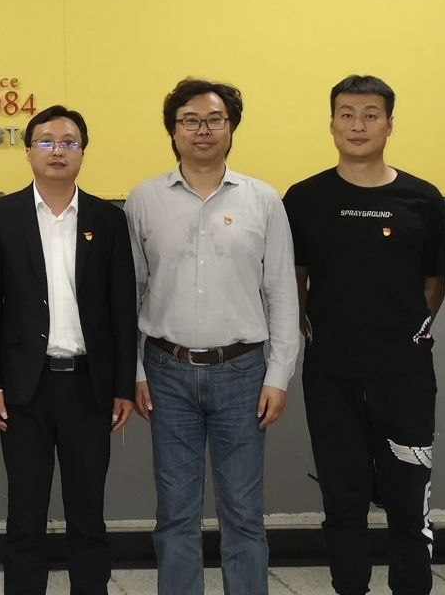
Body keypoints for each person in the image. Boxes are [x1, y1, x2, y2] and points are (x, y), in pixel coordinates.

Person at [127, 78, 300, 595]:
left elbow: (282, 294)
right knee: (175, 512)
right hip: (166, 371)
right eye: (190, 121)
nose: (202, 130)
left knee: (243, 512)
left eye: (214, 120)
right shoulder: (144, 200)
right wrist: (134, 371)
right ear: (173, 131)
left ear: (231, 128)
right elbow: (129, 295)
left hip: (243, 373)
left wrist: (278, 376)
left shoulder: (263, 200)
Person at [284, 76, 445, 595]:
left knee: (408, 501)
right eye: (347, 114)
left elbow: (434, 284)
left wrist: (400, 335)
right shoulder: (304, 199)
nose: (358, 125)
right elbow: (295, 282)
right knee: (343, 499)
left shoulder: (423, 199)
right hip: (331, 375)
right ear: (332, 123)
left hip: (405, 376)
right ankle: (349, 586)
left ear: (390, 125)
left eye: (371, 114)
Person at [0, 105, 138, 595]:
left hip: (89, 386)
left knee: (88, 513)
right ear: (28, 152)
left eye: (69, 142)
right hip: (24, 388)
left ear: (83, 152)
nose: (58, 151)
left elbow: (122, 308)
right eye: (46, 142)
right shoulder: (1, 217)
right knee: (25, 514)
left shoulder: (108, 219)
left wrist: (123, 386)